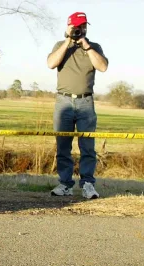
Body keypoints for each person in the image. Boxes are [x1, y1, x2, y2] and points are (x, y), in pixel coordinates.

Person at [46, 12, 108, 199]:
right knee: (63, 145)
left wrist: (86, 46)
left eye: (83, 26)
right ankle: (65, 184)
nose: (80, 29)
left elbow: (103, 67)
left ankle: (88, 184)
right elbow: (50, 63)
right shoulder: (60, 46)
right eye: (76, 26)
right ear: (69, 26)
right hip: (63, 101)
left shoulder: (94, 47)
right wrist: (67, 40)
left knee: (87, 145)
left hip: (85, 102)